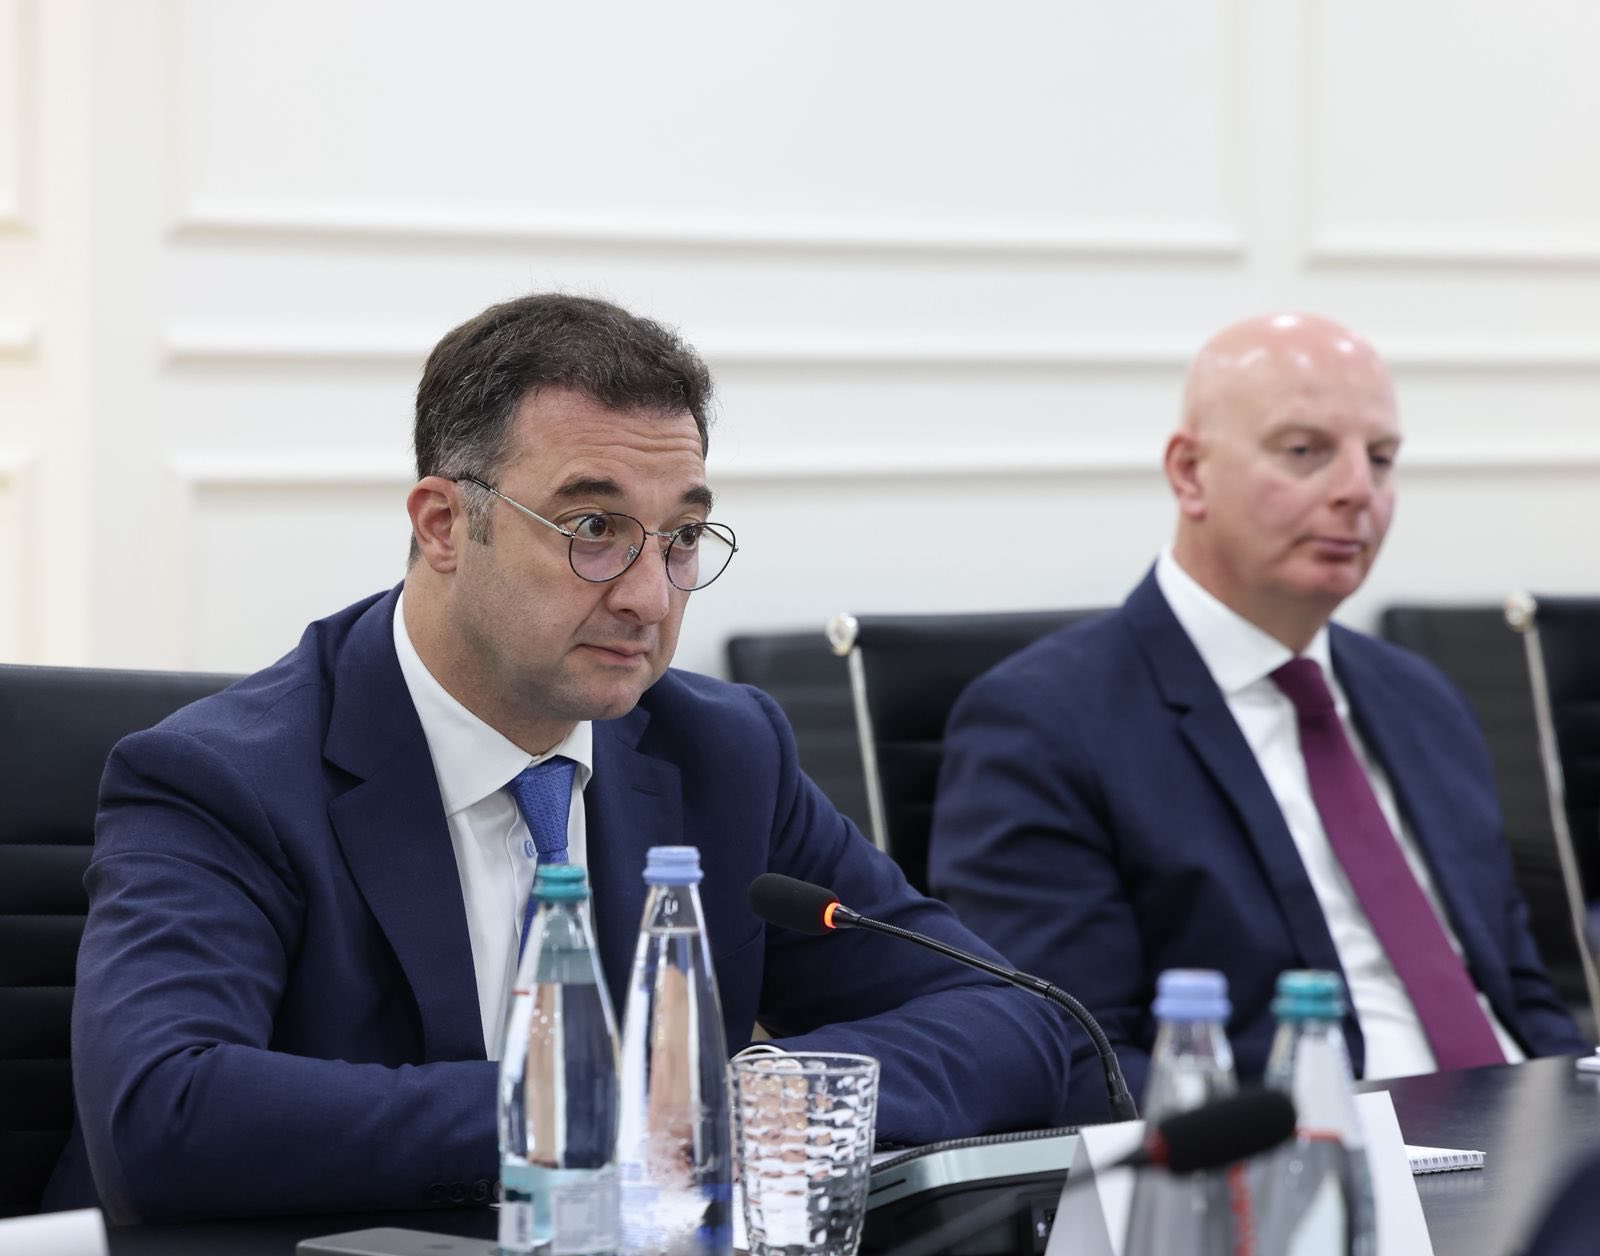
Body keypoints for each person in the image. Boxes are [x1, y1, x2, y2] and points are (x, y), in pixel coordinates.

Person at [44, 294, 1075, 1222]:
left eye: (681, 537)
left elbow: (1015, 1020)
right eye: (593, 527)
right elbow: (162, 1113)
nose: (649, 596)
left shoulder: (723, 752)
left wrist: (740, 1100)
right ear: (445, 525)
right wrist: (604, 1112)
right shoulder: (222, 780)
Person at [928, 311, 1587, 1124]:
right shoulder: (1043, 722)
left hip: (1530, 1145)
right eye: (1305, 451)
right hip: (1299, 1162)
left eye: (1381, 458)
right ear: (1189, 473)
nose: (1358, 490)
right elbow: (1074, 1056)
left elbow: (1522, 993)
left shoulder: (1422, 697)